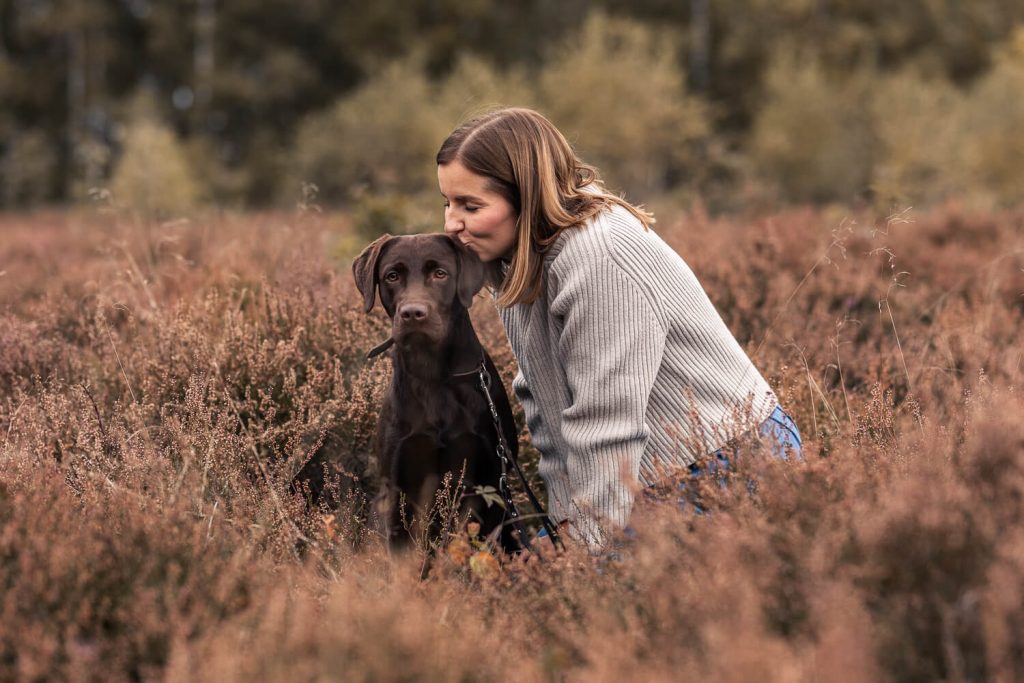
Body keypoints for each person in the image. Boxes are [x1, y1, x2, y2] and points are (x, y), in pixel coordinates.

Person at [436, 107, 801, 548]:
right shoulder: (519, 260)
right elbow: (544, 402)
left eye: (471, 206)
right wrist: (564, 521)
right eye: (447, 203)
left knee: (594, 585)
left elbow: (607, 422)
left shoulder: (601, 256)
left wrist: (585, 549)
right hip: (645, 473)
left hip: (725, 460)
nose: (451, 223)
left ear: (526, 196)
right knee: (530, 571)